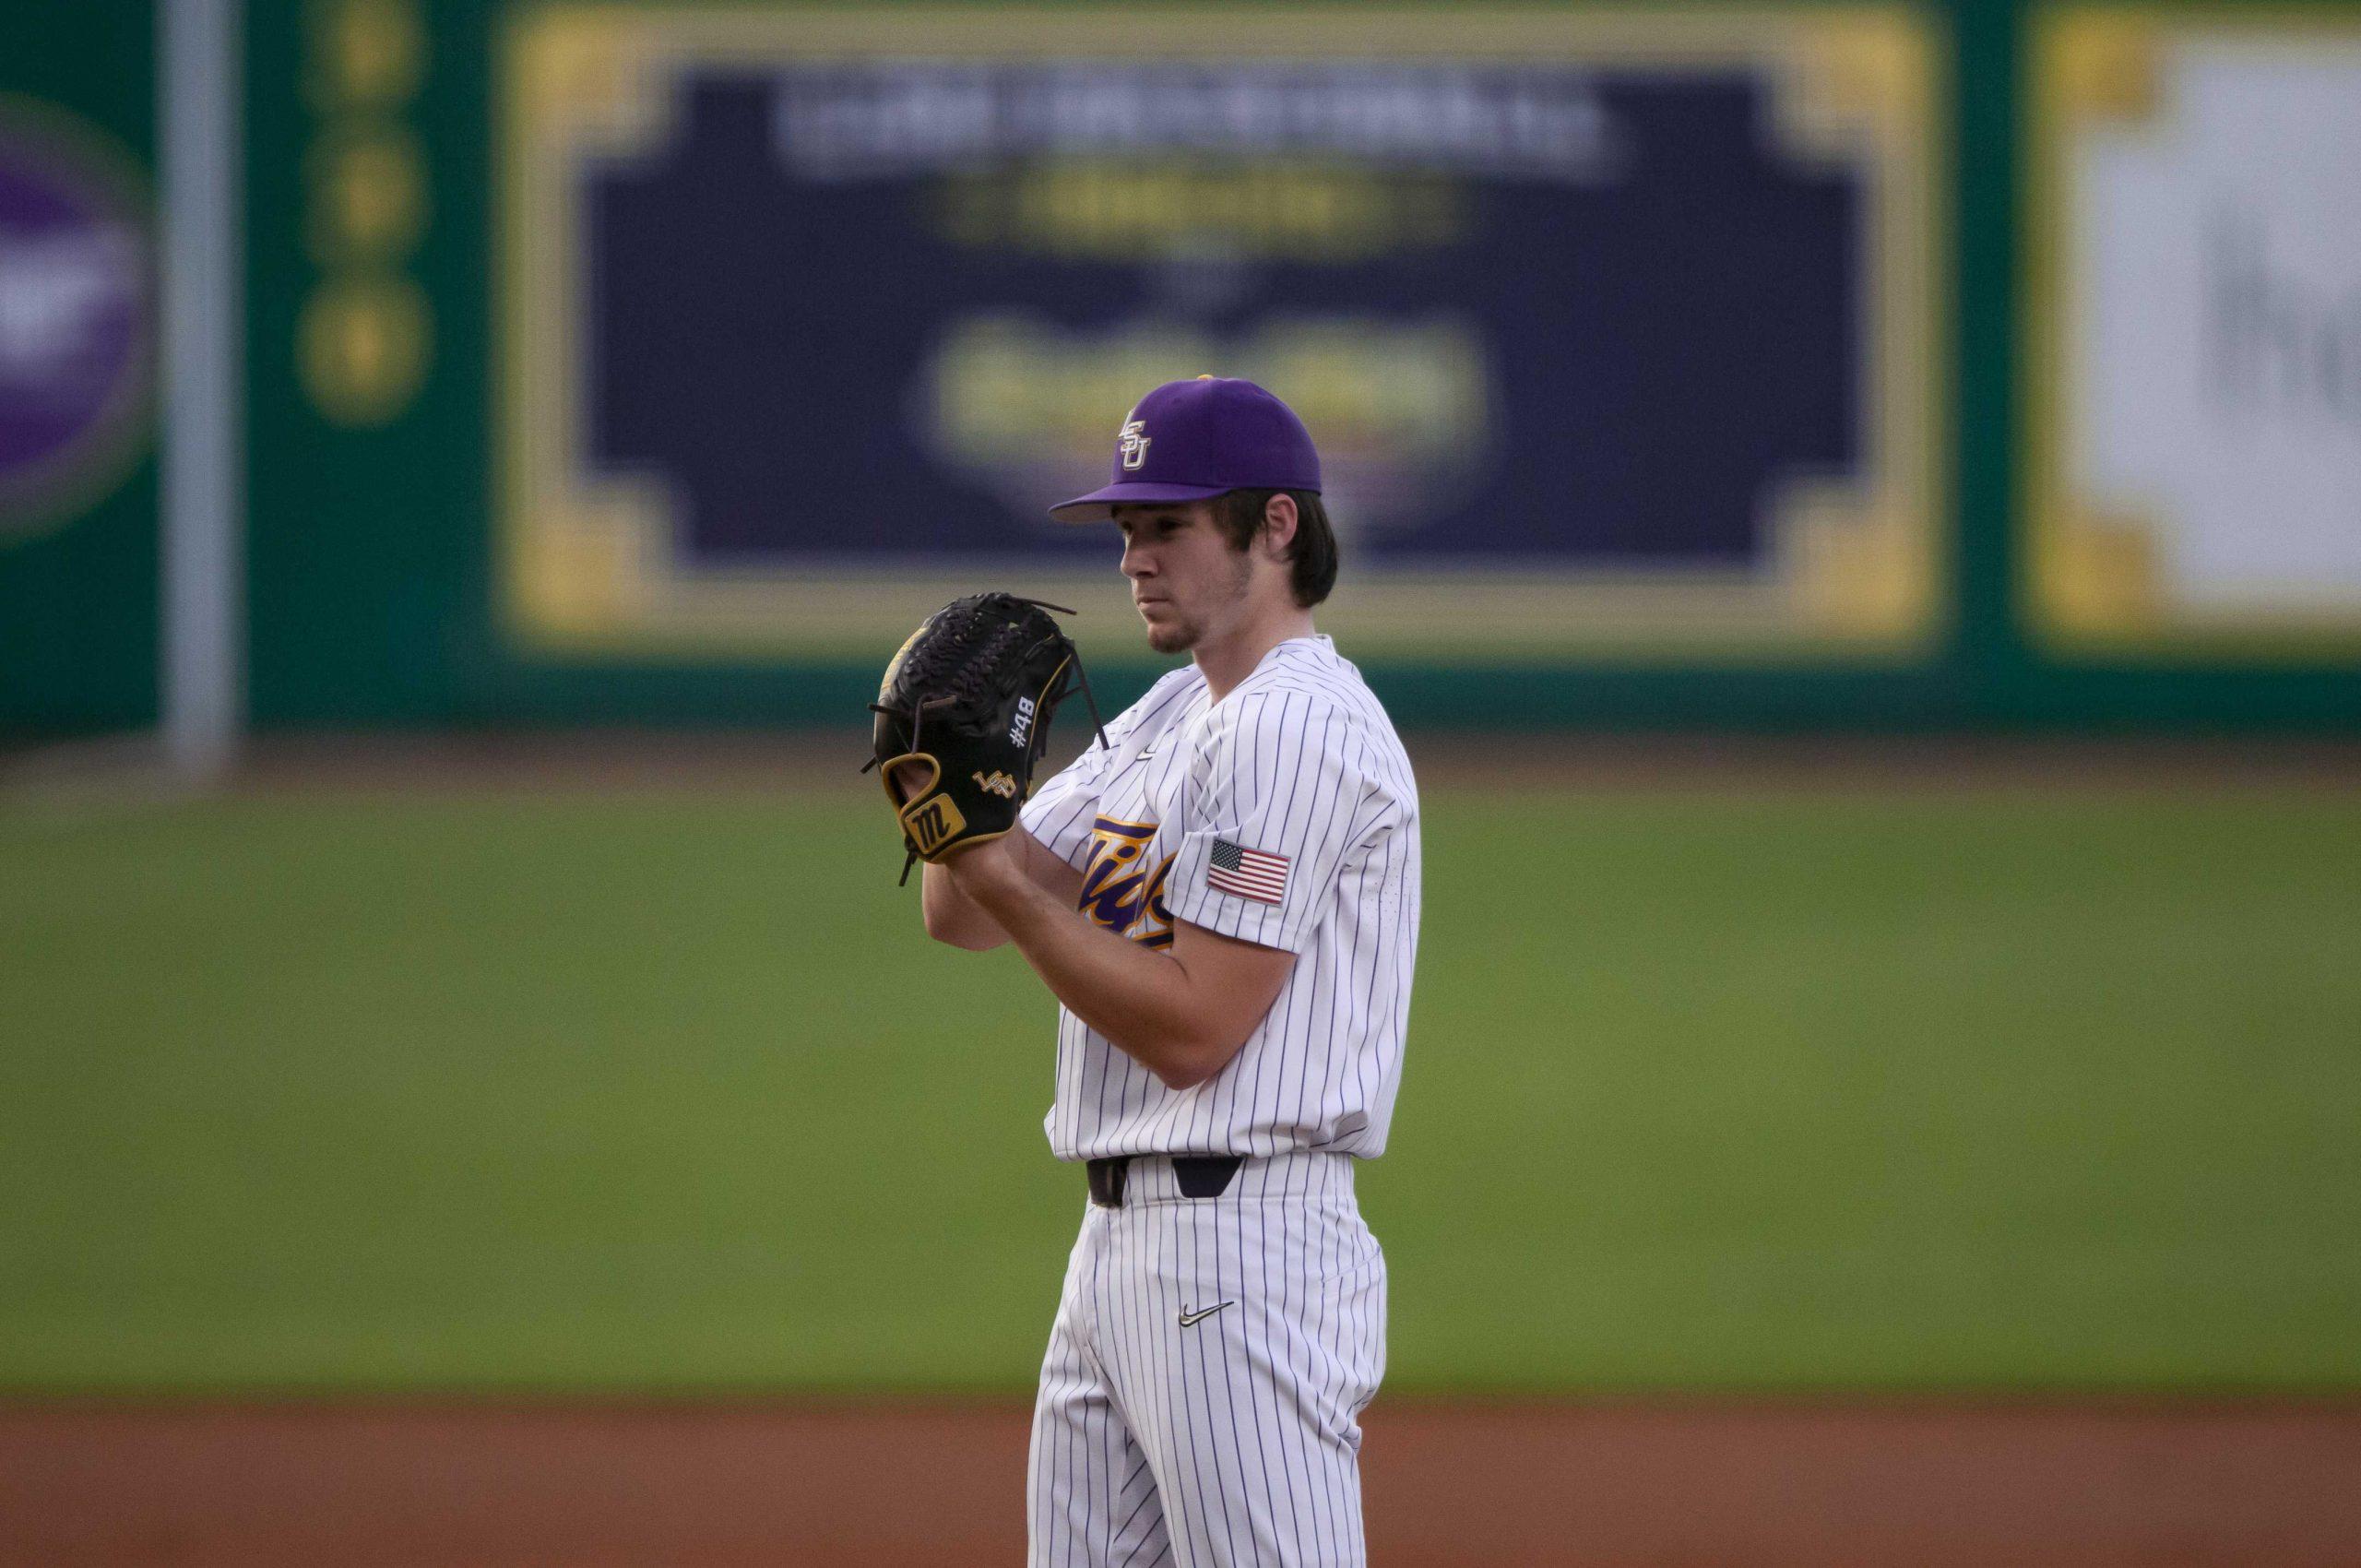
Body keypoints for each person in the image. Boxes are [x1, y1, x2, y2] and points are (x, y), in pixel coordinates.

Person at [912, 376, 1422, 1567]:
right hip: (1114, 1259)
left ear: (1277, 526)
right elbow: (966, 913)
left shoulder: (1296, 729)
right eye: (1127, 531)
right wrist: (951, 802)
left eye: (1169, 526)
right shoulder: (1168, 716)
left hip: (1244, 1254)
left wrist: (987, 866)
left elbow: (1197, 1030)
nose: (1134, 557)